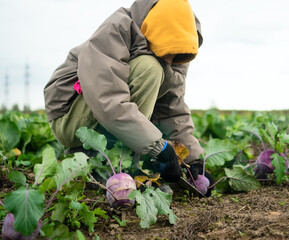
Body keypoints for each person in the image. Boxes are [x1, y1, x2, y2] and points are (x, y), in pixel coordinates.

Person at [43, 0, 214, 195]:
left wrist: (194, 161)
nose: (170, 61)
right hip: (72, 116)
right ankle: (105, 163)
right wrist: (159, 147)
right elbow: (108, 100)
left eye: (176, 56)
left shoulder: (178, 51)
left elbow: (171, 109)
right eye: (168, 52)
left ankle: (118, 161)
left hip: (104, 113)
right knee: (150, 67)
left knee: (155, 68)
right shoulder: (116, 30)